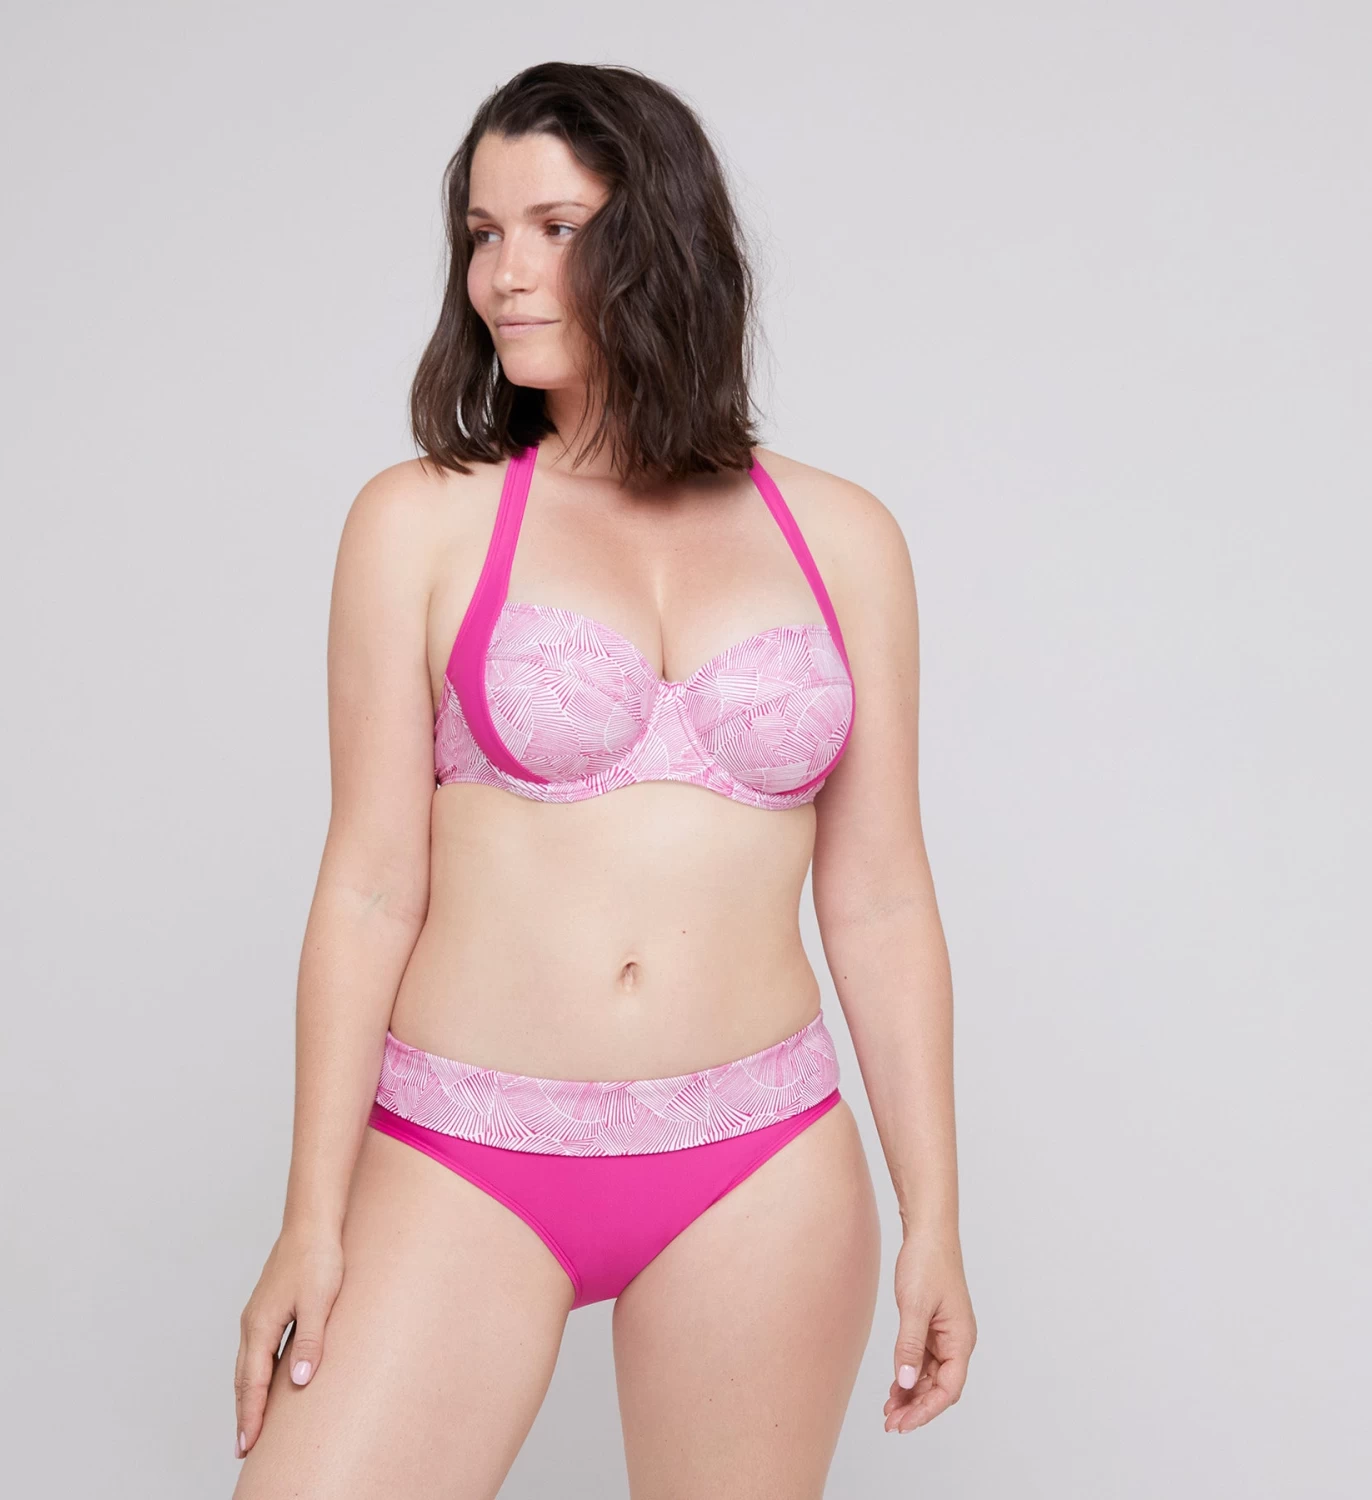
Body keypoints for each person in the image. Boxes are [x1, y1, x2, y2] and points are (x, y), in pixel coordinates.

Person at [232, 60, 976, 1499]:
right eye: (481, 233)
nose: (502, 273)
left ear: (662, 239)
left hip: (759, 1159)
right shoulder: (420, 523)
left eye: (555, 227)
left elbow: (880, 897)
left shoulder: (844, 537)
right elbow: (371, 886)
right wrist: (310, 1218)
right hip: (465, 1148)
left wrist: (934, 1213)